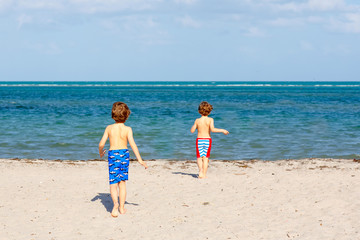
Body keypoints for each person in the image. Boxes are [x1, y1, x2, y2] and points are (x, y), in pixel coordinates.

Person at [99, 102, 148, 217]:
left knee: (113, 183)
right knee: (122, 183)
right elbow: (133, 145)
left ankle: (115, 204)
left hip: (113, 155)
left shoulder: (109, 128)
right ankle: (121, 207)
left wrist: (101, 152)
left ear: (113, 115)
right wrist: (140, 160)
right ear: (126, 116)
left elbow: (101, 144)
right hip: (124, 155)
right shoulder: (128, 129)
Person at [191, 101, 229, 179]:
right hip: (207, 140)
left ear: (199, 111)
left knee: (199, 157)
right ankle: (204, 174)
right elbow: (212, 129)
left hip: (199, 140)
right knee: (205, 158)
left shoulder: (197, 120)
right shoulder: (210, 120)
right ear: (209, 112)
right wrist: (222, 130)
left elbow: (192, 131)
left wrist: (195, 126)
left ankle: (200, 171)